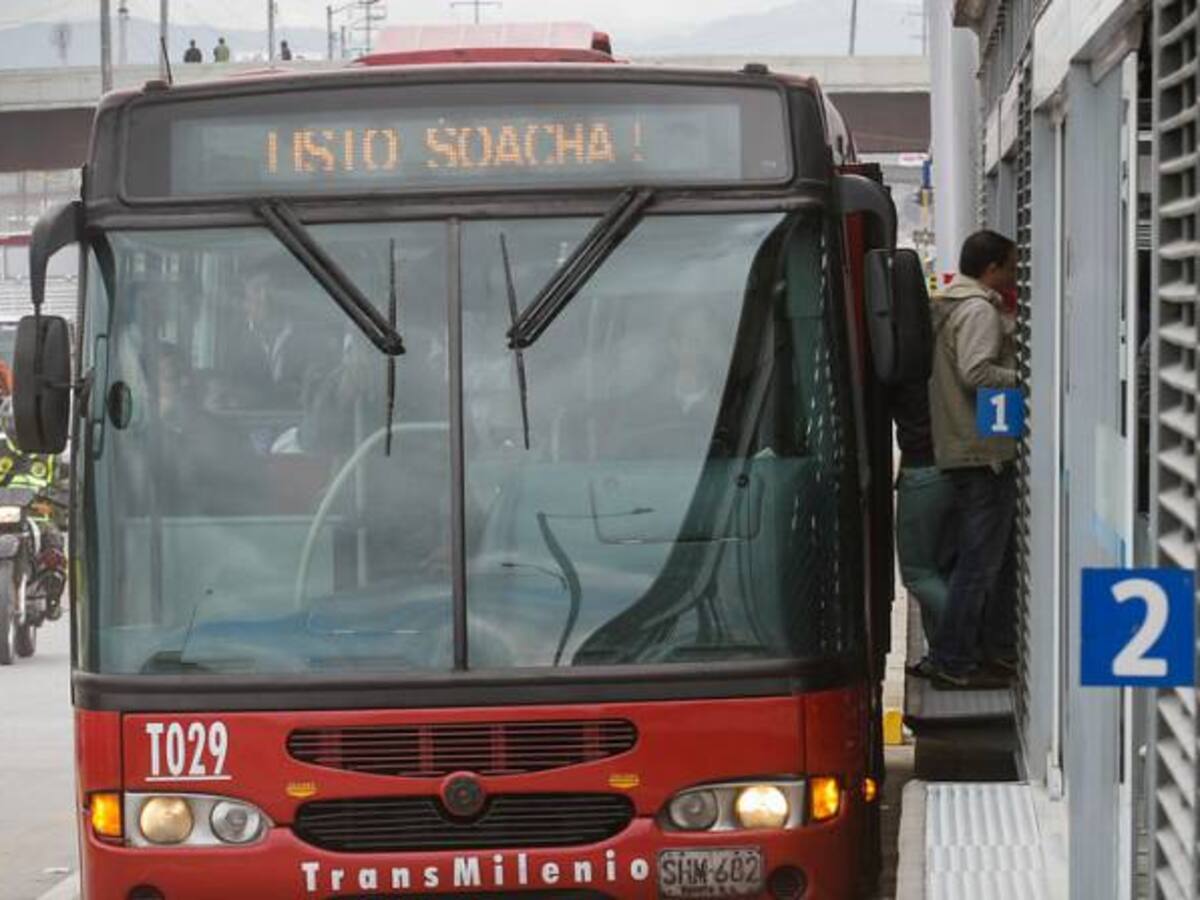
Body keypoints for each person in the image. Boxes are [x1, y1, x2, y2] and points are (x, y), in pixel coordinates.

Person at [925, 230, 1020, 690]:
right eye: (1011, 264)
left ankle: (985, 652)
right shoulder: (979, 309)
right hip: (982, 452)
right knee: (979, 566)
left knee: (982, 562)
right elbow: (977, 371)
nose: (1015, 271)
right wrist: (1027, 374)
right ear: (991, 269)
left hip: (965, 446)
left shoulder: (950, 304)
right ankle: (954, 658)